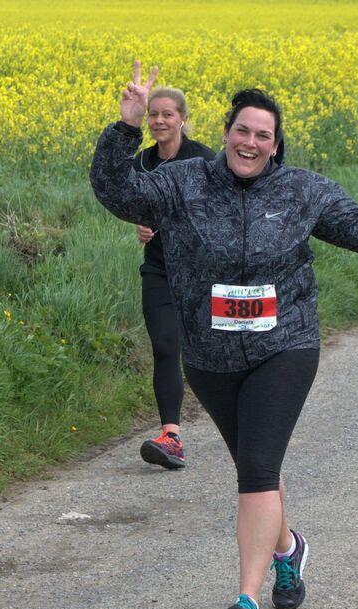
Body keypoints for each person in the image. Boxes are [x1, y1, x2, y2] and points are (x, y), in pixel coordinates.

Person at [91, 62, 358, 609]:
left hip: (284, 346)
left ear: (276, 145)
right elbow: (115, 191)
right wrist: (125, 127)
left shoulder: (302, 190)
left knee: (257, 471)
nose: (251, 142)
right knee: (256, 468)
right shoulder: (182, 182)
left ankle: (246, 602)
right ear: (225, 133)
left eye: (264, 135)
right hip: (209, 356)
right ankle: (288, 548)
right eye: (242, 130)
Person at [134, 88, 216, 470]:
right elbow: (134, 203)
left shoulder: (205, 160)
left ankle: (248, 415)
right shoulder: (142, 162)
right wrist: (139, 222)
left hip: (203, 272)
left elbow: (222, 209)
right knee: (165, 346)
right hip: (160, 269)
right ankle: (171, 436)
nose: (159, 121)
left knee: (212, 353)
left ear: (183, 118)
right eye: (153, 114)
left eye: (167, 114)